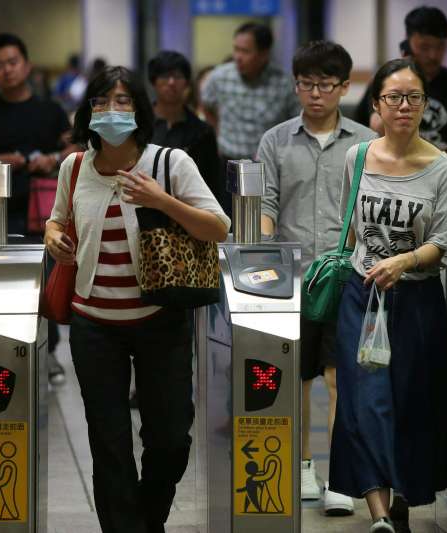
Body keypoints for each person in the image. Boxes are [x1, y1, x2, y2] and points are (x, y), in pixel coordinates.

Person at [44, 66, 229, 533]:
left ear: (139, 109)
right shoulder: (75, 166)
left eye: (123, 101)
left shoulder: (171, 162)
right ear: (87, 112)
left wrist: (161, 200)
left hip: (159, 318)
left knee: (169, 438)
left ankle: (147, 518)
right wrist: (52, 236)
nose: (111, 110)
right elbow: (57, 218)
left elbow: (217, 227)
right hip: (93, 324)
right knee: (108, 443)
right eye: (102, 101)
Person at [329, 58, 447, 533]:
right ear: (377, 105)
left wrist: (404, 262)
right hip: (360, 296)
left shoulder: (444, 169)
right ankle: (381, 515)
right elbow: (350, 232)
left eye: (413, 98)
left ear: (425, 106)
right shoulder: (358, 157)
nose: (404, 106)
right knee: (363, 400)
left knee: (409, 403)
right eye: (394, 97)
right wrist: (366, 265)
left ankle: (403, 491)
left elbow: (444, 242)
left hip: (416, 302)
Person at [257, 40, 376, 515]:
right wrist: (264, 258)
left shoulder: (366, 142)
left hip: (348, 277)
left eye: (326, 85)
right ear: (296, 85)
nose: (316, 94)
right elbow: (265, 203)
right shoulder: (276, 140)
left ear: (345, 87)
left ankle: (340, 479)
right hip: (293, 278)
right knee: (296, 377)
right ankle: (304, 465)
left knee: (339, 376)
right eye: (307, 84)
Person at [0, 33, 74, 386]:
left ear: (26, 65)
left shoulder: (50, 110)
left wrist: (51, 158)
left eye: (12, 63)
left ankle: (50, 352)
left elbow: (73, 148)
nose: (6, 71)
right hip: (1, 213)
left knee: (47, 279)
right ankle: (10, 349)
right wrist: (1, 160)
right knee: (9, 280)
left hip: (46, 209)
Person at [354, 6, 447, 164]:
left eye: (439, 47)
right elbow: (376, 125)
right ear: (408, 42)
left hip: (441, 170)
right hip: (394, 167)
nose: (433, 55)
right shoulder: (388, 79)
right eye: (424, 47)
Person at [201, 21, 299, 161]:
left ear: (264, 54)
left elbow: (295, 122)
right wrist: (217, 131)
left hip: (269, 162)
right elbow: (207, 104)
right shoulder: (220, 76)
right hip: (227, 159)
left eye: (245, 51)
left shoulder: (284, 83)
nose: (238, 57)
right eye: (236, 49)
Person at [148, 51, 224, 208]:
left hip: (191, 212)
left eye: (177, 76)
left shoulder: (203, 132)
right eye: (164, 76)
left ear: (187, 83)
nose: (171, 82)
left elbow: (212, 184)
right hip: (146, 208)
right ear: (153, 81)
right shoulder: (141, 125)